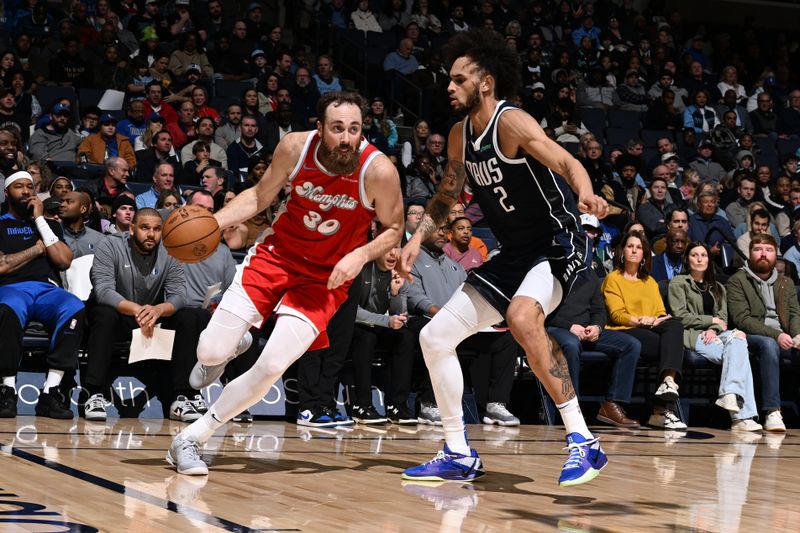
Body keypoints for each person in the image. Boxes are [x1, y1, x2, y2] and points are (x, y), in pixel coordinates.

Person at [398, 29, 608, 487]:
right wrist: (416, 239)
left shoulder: (511, 123)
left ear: (485, 82)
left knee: (522, 317)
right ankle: (457, 451)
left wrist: (586, 189)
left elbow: (564, 160)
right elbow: (447, 193)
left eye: (458, 79)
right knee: (434, 337)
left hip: (556, 241)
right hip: (515, 253)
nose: (448, 87)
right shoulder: (458, 134)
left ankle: (583, 441)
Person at [166, 92, 404, 476]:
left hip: (324, 280)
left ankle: (192, 438)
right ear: (321, 128)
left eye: (354, 129)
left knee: (272, 365)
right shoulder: (296, 147)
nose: (346, 138)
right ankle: (236, 342)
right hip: (276, 256)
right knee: (210, 353)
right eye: (338, 128)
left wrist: (360, 255)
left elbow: (395, 228)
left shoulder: (378, 171)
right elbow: (261, 196)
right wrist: (215, 223)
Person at [82, 207, 205, 422]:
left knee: (188, 317)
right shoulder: (110, 245)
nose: (151, 234)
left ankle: (180, 397)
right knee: (104, 315)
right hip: (119, 312)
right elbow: (103, 291)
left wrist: (158, 310)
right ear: (132, 229)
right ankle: (94, 393)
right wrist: (137, 309)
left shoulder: (170, 251)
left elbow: (178, 295)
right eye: (145, 228)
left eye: (157, 229)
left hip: (150, 314)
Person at [0, 171, 84, 419]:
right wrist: (36, 249)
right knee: (7, 308)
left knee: (74, 307)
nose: (26, 191)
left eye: (30, 186)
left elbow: (64, 261)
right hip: (12, 288)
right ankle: (7, 389)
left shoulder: (51, 225)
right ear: (7, 193)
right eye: (19, 187)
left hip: (47, 289)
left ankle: (51, 391)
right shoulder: (1, 224)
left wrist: (39, 220)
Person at [669, 242, 761, 432]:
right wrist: (710, 321)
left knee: (739, 338)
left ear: (709, 260)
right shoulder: (679, 283)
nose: (700, 259)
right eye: (694, 255)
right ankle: (742, 417)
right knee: (739, 353)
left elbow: (723, 319)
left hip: (714, 335)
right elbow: (680, 316)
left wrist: (714, 329)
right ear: (687, 259)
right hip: (692, 334)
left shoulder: (718, 287)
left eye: (704, 255)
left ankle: (729, 395)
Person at [602, 231, 687, 430]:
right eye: (630, 246)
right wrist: (641, 320)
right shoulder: (613, 279)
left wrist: (657, 319)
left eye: (639, 247)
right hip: (625, 329)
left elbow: (659, 311)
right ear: (622, 251)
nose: (634, 250)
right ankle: (661, 410)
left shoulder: (649, 281)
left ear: (644, 254)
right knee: (669, 348)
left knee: (675, 325)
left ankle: (668, 382)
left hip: (650, 326)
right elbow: (616, 315)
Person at [545, 269, 641, 428]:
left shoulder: (589, 274)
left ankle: (611, 405)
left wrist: (596, 327)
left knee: (631, 344)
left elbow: (599, 310)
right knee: (571, 344)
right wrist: (569, 326)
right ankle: (572, 409)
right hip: (557, 327)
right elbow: (543, 310)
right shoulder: (551, 271)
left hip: (586, 330)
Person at [726, 233, 798, 432]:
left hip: (783, 336)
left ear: (776, 255)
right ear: (750, 255)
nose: (763, 254)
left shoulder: (786, 282)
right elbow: (742, 320)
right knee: (769, 345)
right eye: (758, 250)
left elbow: (794, 314)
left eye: (769, 250)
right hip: (750, 336)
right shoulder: (737, 280)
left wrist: (797, 334)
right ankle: (772, 411)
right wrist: (777, 335)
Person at [349, 243, 416, 424]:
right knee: (366, 336)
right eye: (388, 248)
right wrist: (386, 321)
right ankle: (361, 405)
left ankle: (397, 405)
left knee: (406, 337)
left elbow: (401, 316)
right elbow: (352, 311)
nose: (393, 253)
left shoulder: (399, 274)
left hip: (378, 326)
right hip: (353, 326)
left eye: (397, 248)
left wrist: (395, 293)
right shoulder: (361, 269)